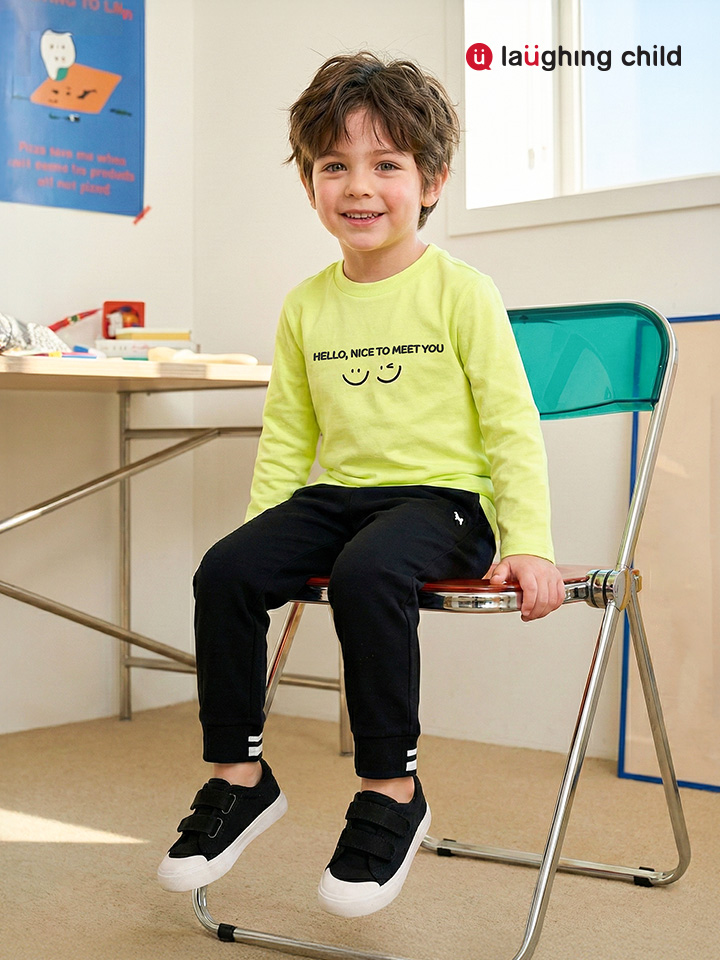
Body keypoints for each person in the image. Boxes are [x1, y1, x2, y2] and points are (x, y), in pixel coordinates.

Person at [157, 50, 565, 918]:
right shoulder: (306, 304)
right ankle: (240, 776)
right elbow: (288, 436)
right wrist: (261, 541)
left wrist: (529, 541)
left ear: (431, 180)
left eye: (386, 164)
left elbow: (510, 425)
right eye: (334, 166)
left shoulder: (462, 292)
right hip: (340, 499)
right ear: (310, 183)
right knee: (224, 569)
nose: (359, 186)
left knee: (368, 572)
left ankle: (391, 789)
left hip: (445, 505)